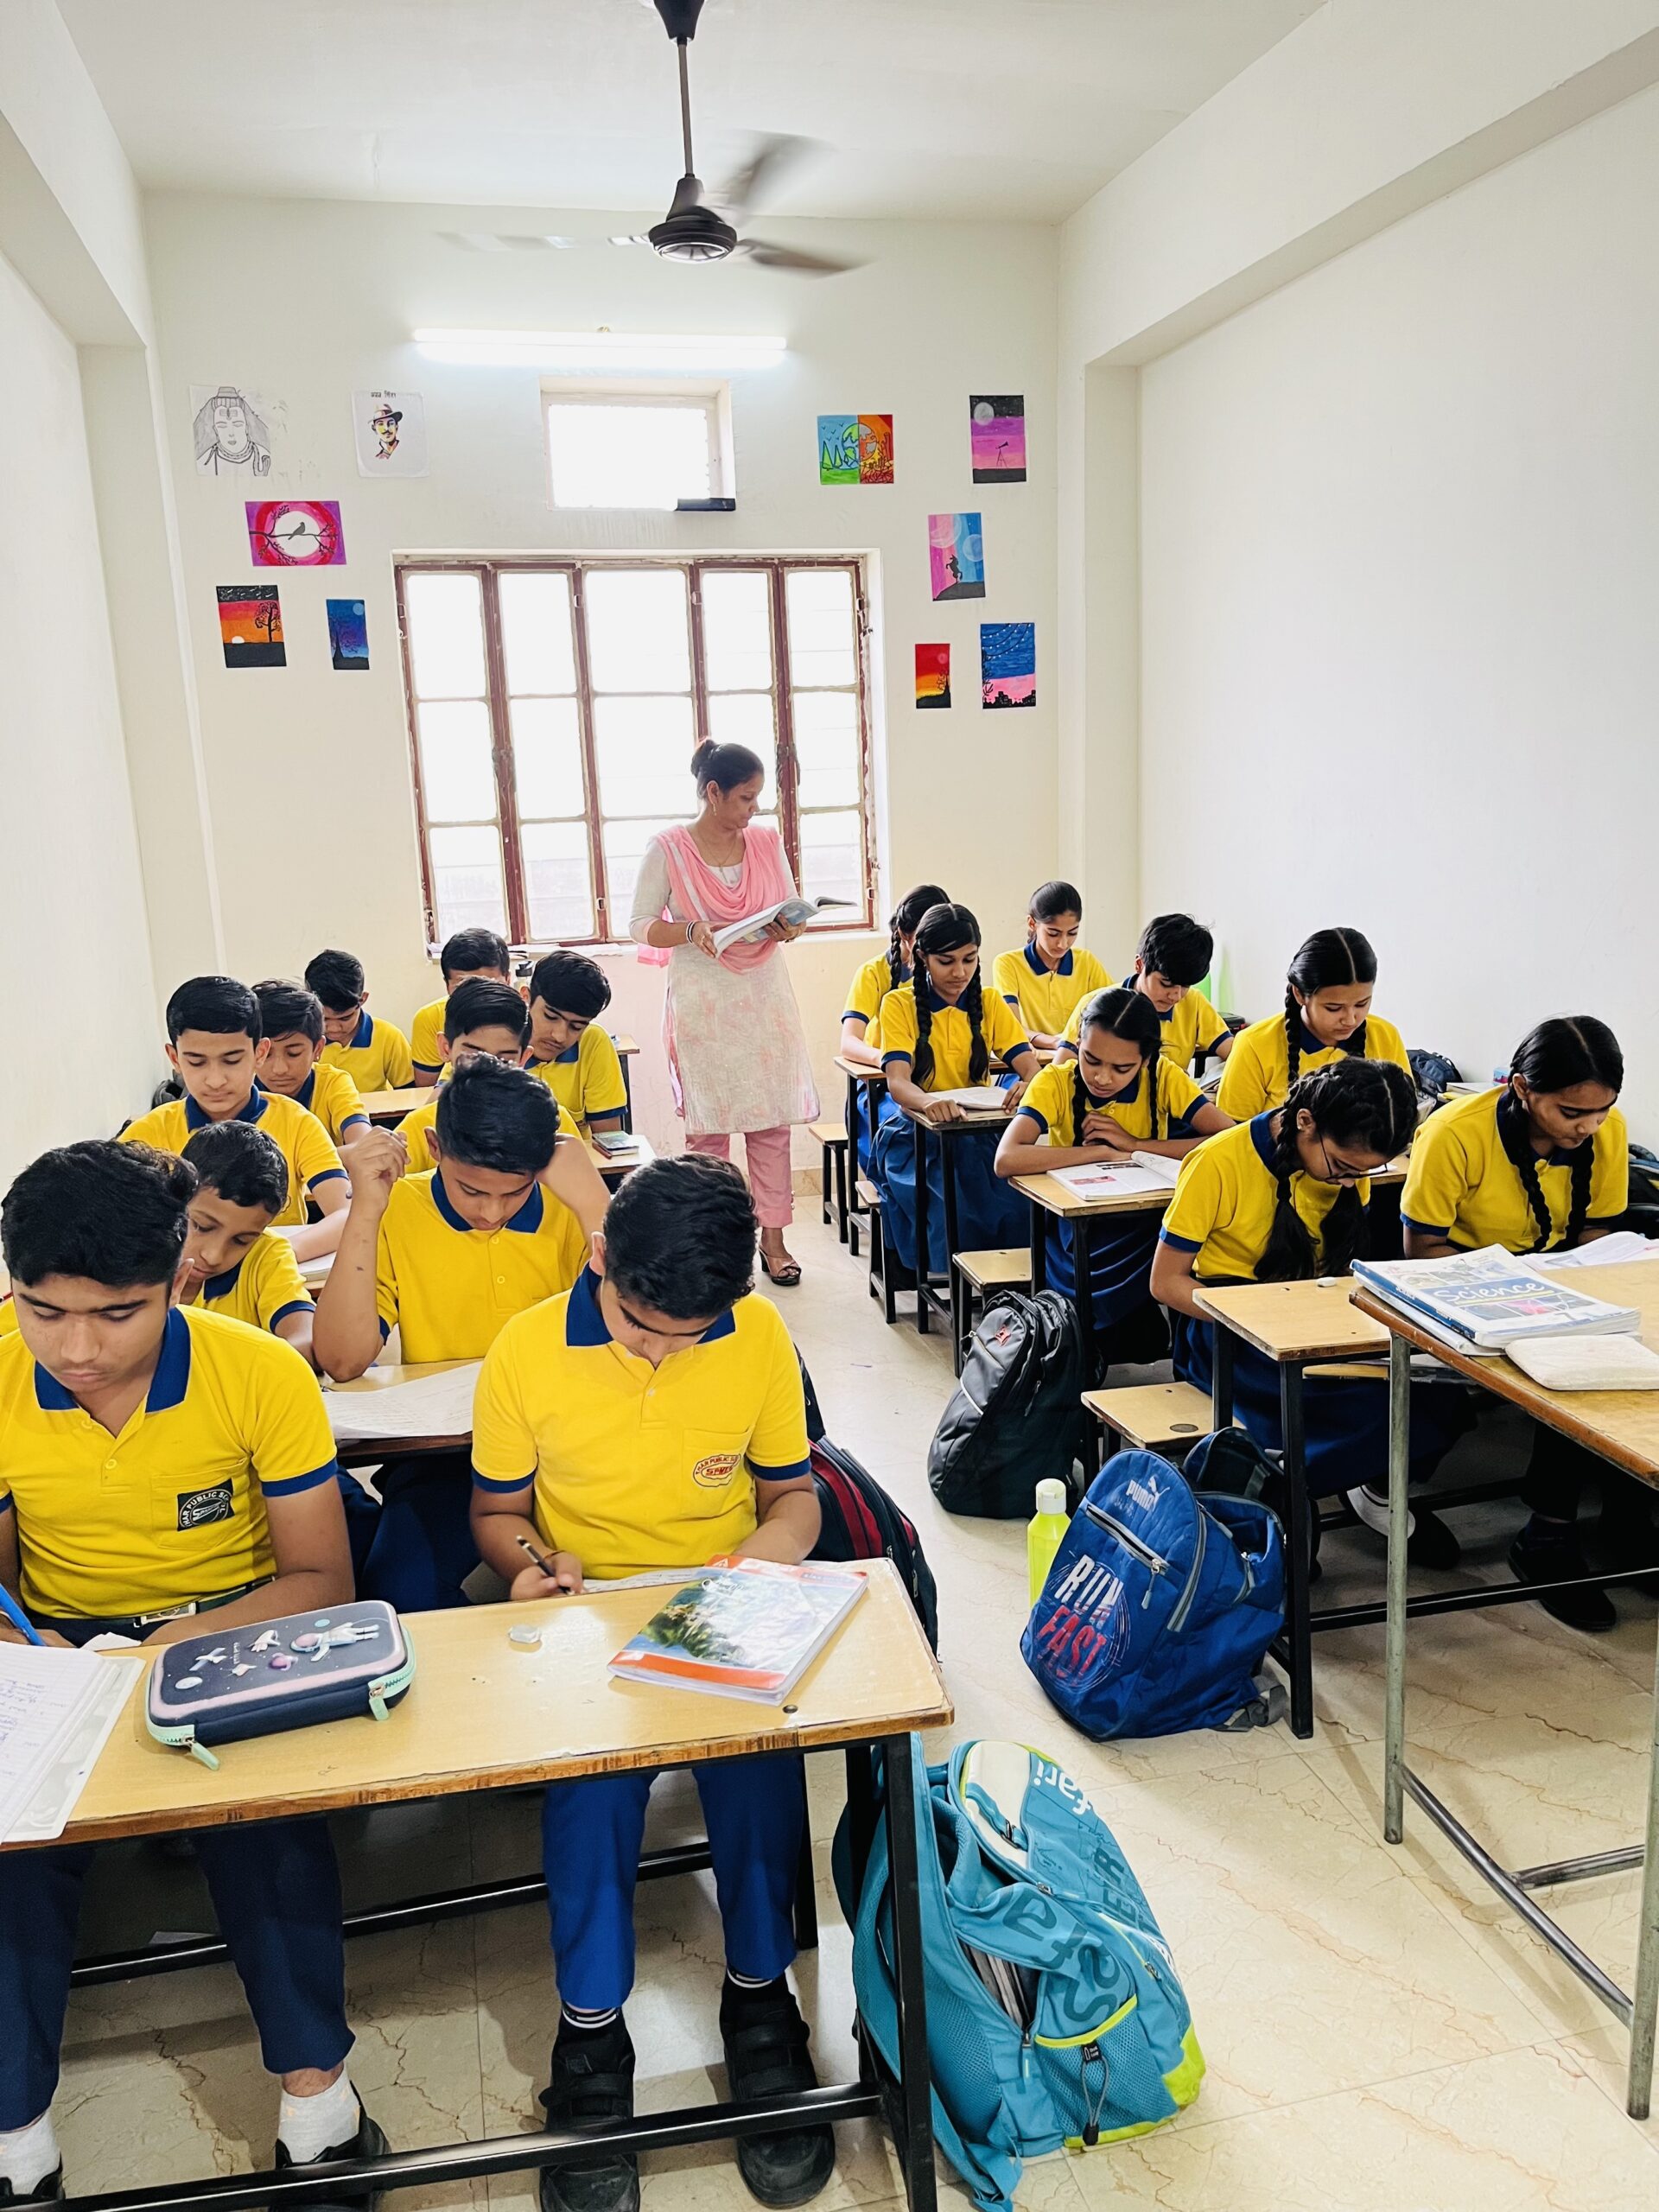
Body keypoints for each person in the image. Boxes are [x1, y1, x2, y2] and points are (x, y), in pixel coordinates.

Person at [0, 1141, 384, 2203]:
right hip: (60, 1646)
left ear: (178, 1277)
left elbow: (319, 1579)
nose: (76, 1348)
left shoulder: (256, 1371)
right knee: (9, 1852)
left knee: (266, 1830)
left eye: (117, 1314)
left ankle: (318, 2104)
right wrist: (33, 1652)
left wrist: (169, 1645)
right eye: (41, 1310)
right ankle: (16, 2139)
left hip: (229, 1631)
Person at [469, 1157, 831, 2212]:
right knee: (588, 1794)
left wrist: (756, 1564)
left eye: (691, 1333)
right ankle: (591, 2035)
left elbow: (794, 1498)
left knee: (760, 1771)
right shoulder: (526, 1348)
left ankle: (760, 2000)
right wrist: (533, 1565)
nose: (663, 1351)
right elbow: (497, 1515)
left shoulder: (756, 1334)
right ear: (599, 1260)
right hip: (585, 1615)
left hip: (722, 1606)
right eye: (641, 1326)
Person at [314, 1058, 608, 1611]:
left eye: (514, 1193)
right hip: (448, 1457)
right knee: (399, 1593)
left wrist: (595, 1204)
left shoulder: (573, 1208)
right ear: (434, 1146)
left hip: (571, 1447)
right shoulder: (401, 1208)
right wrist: (366, 1211)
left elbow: (634, 1334)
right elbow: (343, 1359)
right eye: (471, 1191)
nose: (491, 1212)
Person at [1149, 1058, 1465, 1567]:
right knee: (1336, 1404)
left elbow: (1339, 1264)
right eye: (1342, 1168)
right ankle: (1285, 1496)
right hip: (1226, 1329)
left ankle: (1369, 1489)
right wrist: (1255, 1317)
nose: (1351, 1183)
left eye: (1364, 1172)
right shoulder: (1218, 1161)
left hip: (1315, 1315)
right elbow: (1166, 1283)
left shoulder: (1349, 1166)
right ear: (1305, 1122)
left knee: (1437, 1395)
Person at [1402, 1016, 1642, 1627]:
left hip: (1561, 1286)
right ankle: (1548, 1534)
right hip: (1467, 1293)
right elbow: (1423, 1250)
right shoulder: (1454, 1134)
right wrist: (1524, 1287)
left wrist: (1583, 1287)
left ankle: (1628, 1518)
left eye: (1602, 1111)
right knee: (1575, 1370)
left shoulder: (1605, 1132)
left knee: (1632, 1353)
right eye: (1572, 1113)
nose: (1589, 1127)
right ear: (1521, 1088)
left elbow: (1597, 1235)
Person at [630, 741, 819, 1289]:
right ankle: (713, 1247)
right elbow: (640, 924)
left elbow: (790, 910)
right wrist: (691, 930)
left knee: (771, 1126)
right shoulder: (668, 848)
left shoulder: (765, 842)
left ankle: (774, 1242)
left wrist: (790, 926)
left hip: (764, 997)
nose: (754, 810)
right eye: (745, 798)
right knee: (708, 1131)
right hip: (703, 1001)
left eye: (758, 798)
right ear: (712, 793)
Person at [996, 988, 1230, 1361]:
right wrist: (1100, 1152)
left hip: (1148, 1220)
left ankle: (1176, 1347)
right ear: (1078, 1042)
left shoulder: (1163, 1076)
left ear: (1146, 1060)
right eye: (1091, 1060)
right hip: (1079, 1227)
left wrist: (1134, 1145)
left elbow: (1226, 1138)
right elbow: (1006, 1158)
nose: (1102, 1077)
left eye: (1122, 1069)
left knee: (1185, 1241)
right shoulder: (1055, 1081)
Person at [118, 976, 350, 1262]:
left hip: (273, 1280)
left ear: (259, 1053)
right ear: (174, 1058)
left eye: (231, 1060)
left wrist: (266, 1260)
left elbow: (345, 1213)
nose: (215, 1080)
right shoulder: (146, 1137)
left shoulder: (297, 1122)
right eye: (197, 1062)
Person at [873, 903, 1039, 1279]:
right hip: (916, 1135)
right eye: (946, 961)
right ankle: (955, 1285)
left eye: (969, 959)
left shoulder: (990, 1001)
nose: (960, 972)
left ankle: (1004, 1285)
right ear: (922, 957)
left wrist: (1028, 1084)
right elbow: (898, 1082)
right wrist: (929, 1102)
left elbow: (1031, 1068)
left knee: (1017, 1201)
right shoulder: (898, 1004)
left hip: (978, 1132)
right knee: (950, 1204)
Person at [1216, 928, 1411, 1122]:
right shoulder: (1255, 1044)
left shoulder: (1385, 1035)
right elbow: (1231, 1132)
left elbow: (1403, 1117)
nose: (1350, 1019)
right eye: (1334, 1008)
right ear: (1299, 994)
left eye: (1362, 1004)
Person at [1060, 913, 1233, 1074]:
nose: (1176, 996)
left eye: (1185, 986)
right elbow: (1058, 1074)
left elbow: (1234, 1054)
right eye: (1166, 983)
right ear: (1139, 965)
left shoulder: (1193, 1002)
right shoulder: (1094, 1004)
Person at [397, 978, 532, 1173]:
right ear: (445, 1048)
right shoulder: (418, 1127)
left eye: (504, 1060)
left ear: (523, 1059)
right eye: (473, 1056)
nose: (487, 1070)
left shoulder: (549, 1123)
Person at [989, 880, 1115, 1050]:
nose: (1063, 944)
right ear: (1032, 924)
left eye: (1072, 933)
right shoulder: (1008, 964)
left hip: (1076, 1057)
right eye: (1053, 933)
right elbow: (1011, 1027)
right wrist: (1057, 1042)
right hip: (1028, 1058)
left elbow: (1113, 1013)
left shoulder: (1086, 961)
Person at [838, 883, 950, 1071]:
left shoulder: (950, 971)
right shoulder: (873, 973)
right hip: (885, 1077)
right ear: (904, 934)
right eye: (928, 936)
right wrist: (889, 1059)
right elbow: (849, 1042)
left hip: (937, 1076)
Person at [253, 980, 372, 1148]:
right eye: (265, 1054)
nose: (280, 1069)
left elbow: (363, 1143)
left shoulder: (332, 1084)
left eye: (294, 1053)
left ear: (318, 1048)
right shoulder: (239, 1093)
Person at [524, 951, 628, 1136]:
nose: (559, 1036)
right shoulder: (494, 1043)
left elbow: (609, 1140)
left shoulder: (593, 1042)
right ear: (526, 998)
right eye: (550, 1017)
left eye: (577, 1027)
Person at [410, 928, 515, 1082]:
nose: (478, 996)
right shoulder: (430, 1018)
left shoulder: (526, 1018)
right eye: (464, 986)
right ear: (447, 986)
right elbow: (427, 1089)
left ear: (508, 980)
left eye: (489, 984)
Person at [306, 948, 415, 1093]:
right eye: (324, 1018)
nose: (334, 1028)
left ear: (363, 999)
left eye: (345, 1018)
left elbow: (409, 1094)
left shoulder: (388, 1037)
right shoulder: (301, 1040)